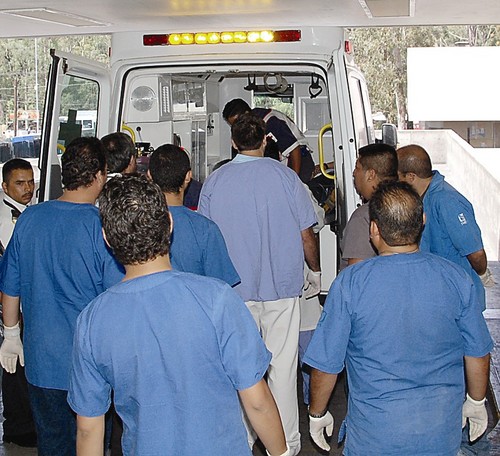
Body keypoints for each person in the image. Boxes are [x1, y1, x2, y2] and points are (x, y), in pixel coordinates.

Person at [67, 174, 289, 456]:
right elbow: (256, 401)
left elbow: (88, 428)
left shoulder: (92, 320)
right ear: (170, 224)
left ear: (107, 239)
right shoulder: (216, 299)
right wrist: (281, 452)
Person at [304, 181, 493, 455]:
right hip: (440, 433)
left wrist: (317, 413)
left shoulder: (351, 284)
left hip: (374, 436)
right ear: (423, 220)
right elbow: (477, 352)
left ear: (374, 229)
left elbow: (326, 364)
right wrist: (476, 401)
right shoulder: (456, 278)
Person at [199, 113, 321, 455]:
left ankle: (244, 440)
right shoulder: (286, 178)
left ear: (233, 142)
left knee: (242, 370)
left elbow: (208, 239)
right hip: (282, 287)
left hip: (235, 291)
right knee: (282, 367)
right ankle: (287, 443)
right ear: (266, 140)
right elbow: (306, 234)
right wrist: (315, 271)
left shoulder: (215, 182)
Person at [0, 137, 124, 456]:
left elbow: (10, 285)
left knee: (53, 442)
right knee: (92, 442)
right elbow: (118, 297)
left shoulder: (30, 219)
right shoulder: (102, 226)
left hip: (41, 360)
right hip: (91, 363)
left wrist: (11, 335)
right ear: (99, 175)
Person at [397, 144, 493, 311]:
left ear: (411, 176)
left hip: (458, 300)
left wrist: (482, 274)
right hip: (437, 297)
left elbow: (476, 253)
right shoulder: (421, 199)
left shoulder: (447, 201)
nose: (394, 181)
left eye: (397, 176)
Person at [148, 144, 240, 286]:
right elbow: (221, 285)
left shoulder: (136, 224)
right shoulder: (205, 229)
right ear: (188, 176)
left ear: (149, 176)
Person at [0, 158, 37, 447]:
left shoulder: (30, 213)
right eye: (20, 183)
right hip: (12, 304)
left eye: (30, 182)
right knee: (14, 367)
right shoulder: (6, 220)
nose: (28, 188)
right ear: (5, 186)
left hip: (23, 302)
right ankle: (18, 426)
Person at [222, 98, 315, 183]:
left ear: (247, 114)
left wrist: (294, 180)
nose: (237, 126)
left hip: (300, 159)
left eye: (237, 122)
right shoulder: (246, 128)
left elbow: (294, 149)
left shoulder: (271, 122)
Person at [340, 142, 398, 269]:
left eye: (357, 168)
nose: (354, 173)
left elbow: (358, 272)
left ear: (371, 175)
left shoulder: (364, 217)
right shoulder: (407, 207)